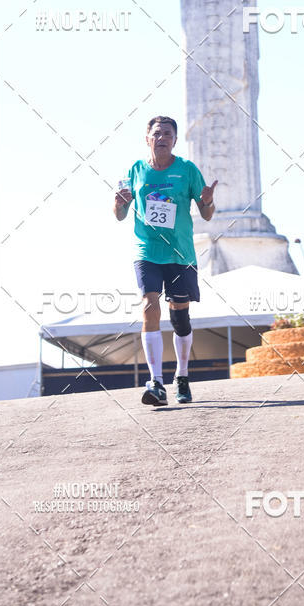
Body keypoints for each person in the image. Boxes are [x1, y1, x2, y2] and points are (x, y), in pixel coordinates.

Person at [113, 116, 217, 406]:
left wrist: (207, 201)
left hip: (180, 253)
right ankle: (156, 381)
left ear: (175, 139)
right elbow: (120, 215)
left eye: (167, 134)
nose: (162, 138)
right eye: (156, 133)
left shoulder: (186, 170)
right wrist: (120, 202)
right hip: (147, 250)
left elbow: (207, 214)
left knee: (180, 313)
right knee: (149, 303)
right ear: (147, 137)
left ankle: (182, 376)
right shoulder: (136, 170)